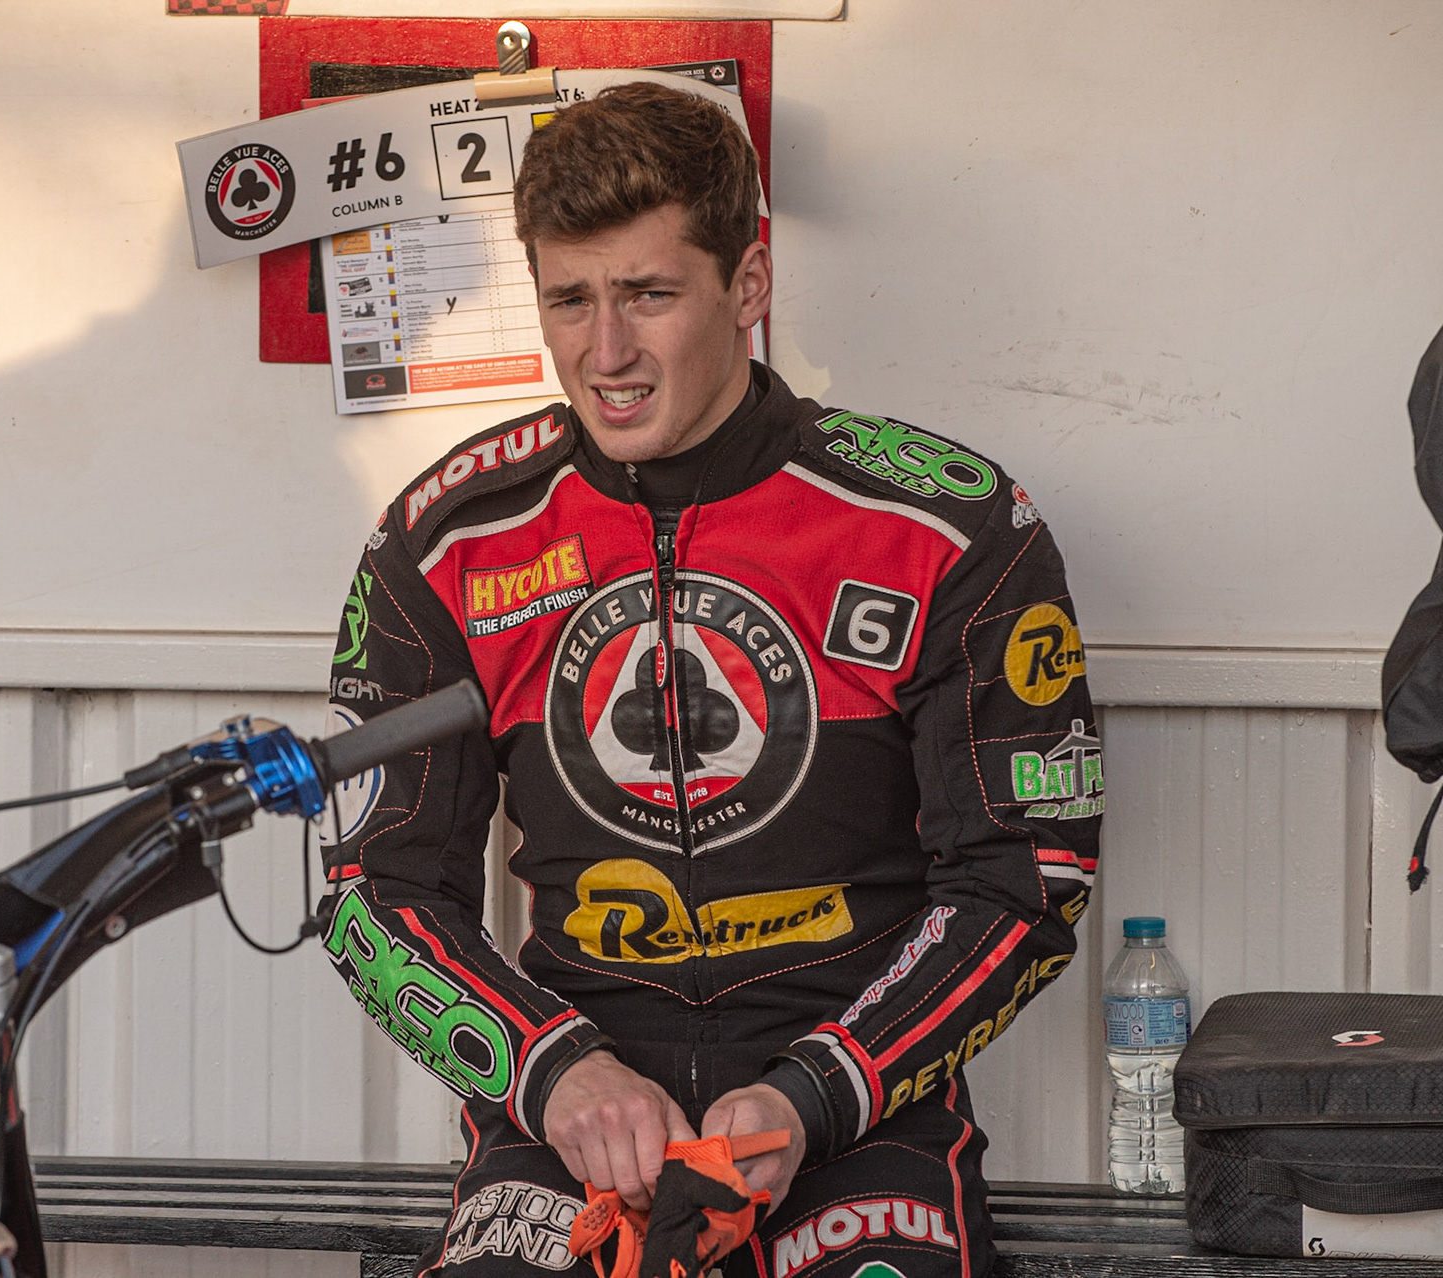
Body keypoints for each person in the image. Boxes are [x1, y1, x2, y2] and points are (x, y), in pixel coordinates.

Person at [321, 80, 1101, 1278]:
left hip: (854, 1102)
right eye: (570, 300)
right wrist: (555, 1071)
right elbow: (375, 888)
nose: (606, 351)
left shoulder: (946, 527)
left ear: (748, 284)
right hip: (575, 1102)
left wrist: (818, 1093)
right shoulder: (449, 541)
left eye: (647, 294)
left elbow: (1027, 872)